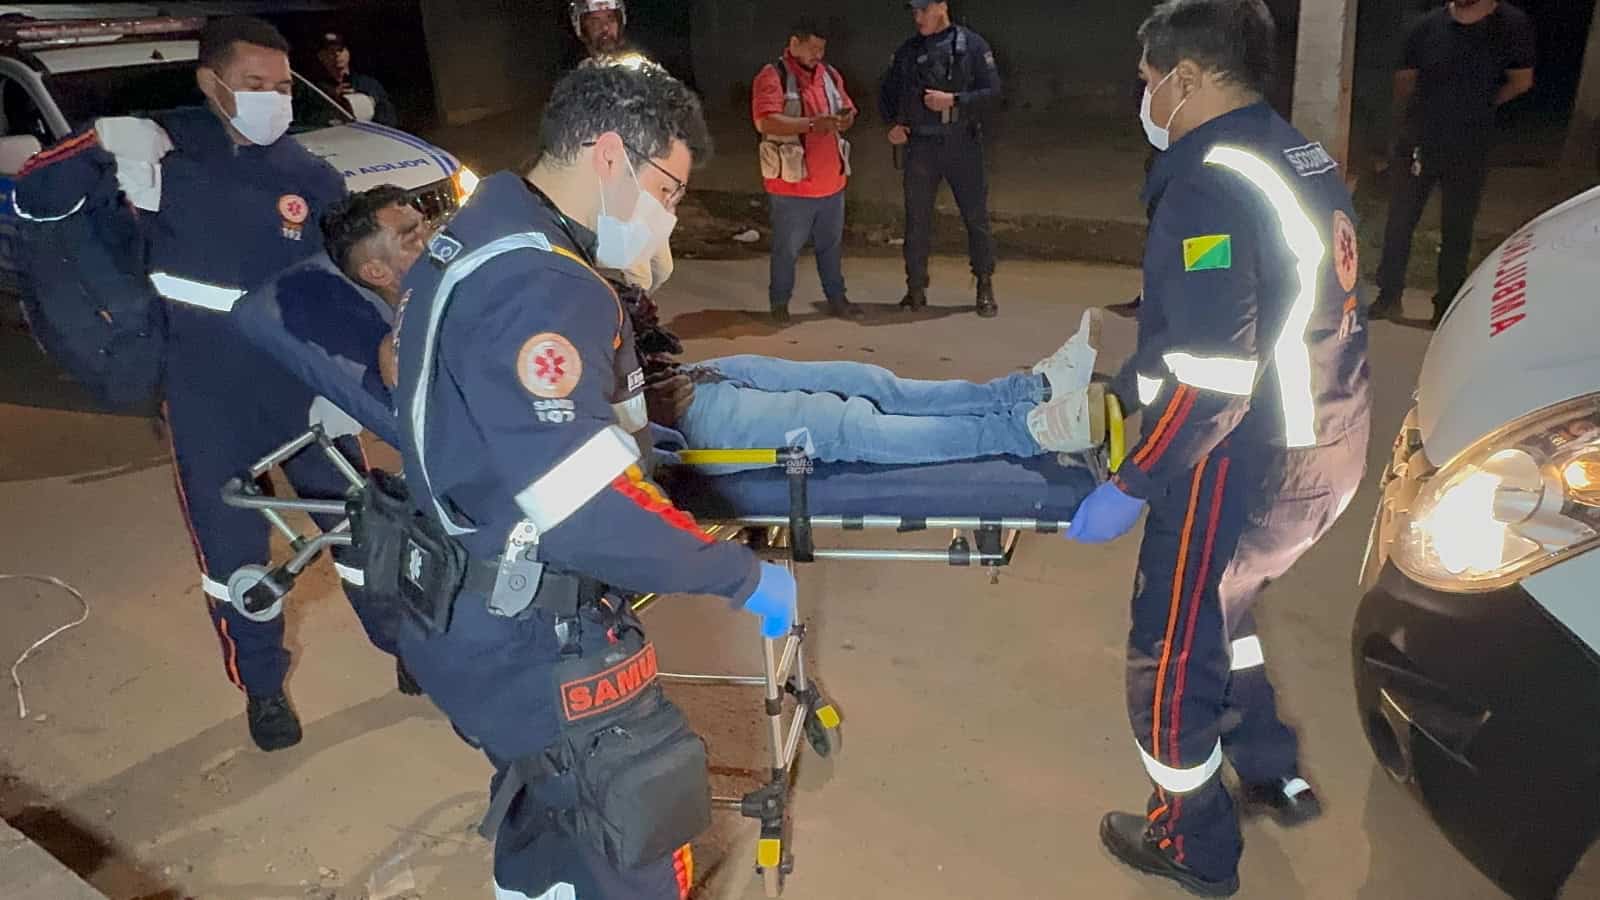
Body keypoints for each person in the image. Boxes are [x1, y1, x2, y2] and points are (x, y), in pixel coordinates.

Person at [386, 65, 798, 900]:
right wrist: (742, 575)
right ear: (610, 155)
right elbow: (585, 508)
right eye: (668, 190)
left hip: (469, 604)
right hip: (536, 630)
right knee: (635, 839)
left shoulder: (486, 228)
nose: (668, 215)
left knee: (550, 813)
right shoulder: (543, 281)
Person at [14, 17, 407, 753]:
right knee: (233, 557)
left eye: (283, 87)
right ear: (212, 82)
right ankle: (263, 689)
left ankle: (404, 644)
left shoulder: (312, 177)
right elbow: (35, 203)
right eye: (255, 85)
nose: (272, 100)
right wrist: (96, 145)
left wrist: (349, 377)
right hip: (206, 394)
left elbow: (344, 287)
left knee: (362, 526)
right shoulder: (162, 152)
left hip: (303, 387)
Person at [1070, 1, 1372, 895]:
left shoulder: (1209, 179)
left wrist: (1133, 479)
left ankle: (1190, 842)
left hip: (1243, 459)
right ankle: (1272, 768)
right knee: (1225, 613)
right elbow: (1243, 314)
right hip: (1328, 438)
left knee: (1168, 648)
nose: (1145, 98)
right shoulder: (1293, 152)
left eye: (1148, 81)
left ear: (1188, 77)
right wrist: (1129, 386)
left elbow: (1211, 378)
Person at [330, 185, 1110, 464]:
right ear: (375, 273)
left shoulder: (474, 286)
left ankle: (1026, 391)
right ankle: (1030, 433)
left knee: (864, 378)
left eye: (425, 221)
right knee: (846, 425)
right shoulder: (407, 349)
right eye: (411, 237)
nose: (433, 237)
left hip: (685, 381)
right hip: (678, 428)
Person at [1371, 0, 1535, 326]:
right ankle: (1388, 297)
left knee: (1457, 228)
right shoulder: (1427, 27)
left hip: (1470, 144)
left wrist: (1481, 105)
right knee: (1399, 222)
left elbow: (1521, 81)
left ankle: (1445, 306)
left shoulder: (1510, 25)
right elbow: (1404, 82)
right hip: (1420, 139)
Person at [879, 0, 1003, 318]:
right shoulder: (908, 50)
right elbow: (888, 92)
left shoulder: (971, 45)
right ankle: (915, 288)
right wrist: (893, 124)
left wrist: (955, 100)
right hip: (921, 146)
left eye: (924, 10)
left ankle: (984, 283)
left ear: (942, 7)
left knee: (975, 218)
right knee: (916, 221)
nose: (918, 17)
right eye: (914, 11)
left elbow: (993, 93)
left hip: (962, 143)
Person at [753, 18, 863, 323]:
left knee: (831, 248)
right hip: (792, 187)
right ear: (794, 43)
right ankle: (779, 304)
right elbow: (765, 121)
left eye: (822, 49)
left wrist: (845, 119)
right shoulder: (772, 75)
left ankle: (837, 299)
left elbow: (848, 108)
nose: (818, 55)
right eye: (813, 48)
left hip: (832, 183)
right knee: (786, 251)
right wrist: (813, 124)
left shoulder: (829, 75)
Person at [300, 31, 398, 127]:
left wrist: (366, 102)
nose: (337, 55)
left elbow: (389, 119)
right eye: (330, 51)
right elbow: (303, 121)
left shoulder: (369, 84)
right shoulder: (311, 89)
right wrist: (330, 102)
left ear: (348, 53)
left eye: (340, 50)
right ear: (321, 56)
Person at [571, 0, 657, 71]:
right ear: (583, 28)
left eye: (610, 19)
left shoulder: (641, 69)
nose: (605, 27)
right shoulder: (574, 78)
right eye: (595, 21)